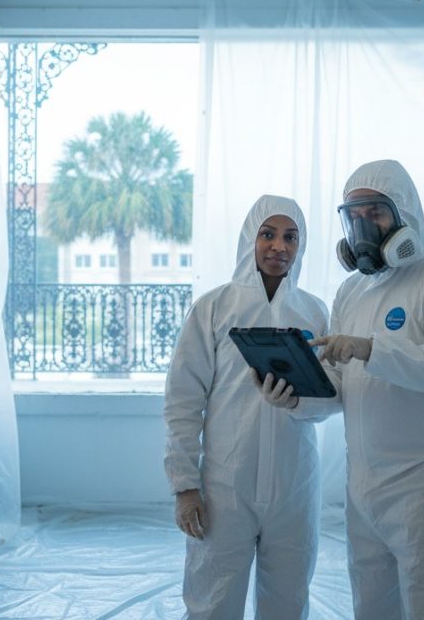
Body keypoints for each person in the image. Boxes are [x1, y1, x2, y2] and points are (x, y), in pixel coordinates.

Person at [259, 159, 424, 620]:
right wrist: (296, 397)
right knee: (371, 602)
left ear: (406, 214)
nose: (363, 226)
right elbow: (342, 386)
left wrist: (372, 349)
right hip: (364, 482)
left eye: (376, 213)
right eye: (354, 216)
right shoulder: (352, 292)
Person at [163, 195, 329, 619]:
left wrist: (299, 402)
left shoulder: (314, 312)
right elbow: (184, 400)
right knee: (212, 600)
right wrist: (185, 486)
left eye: (291, 237)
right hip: (225, 486)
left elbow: (332, 397)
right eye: (267, 234)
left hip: (294, 485)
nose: (279, 246)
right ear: (248, 239)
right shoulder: (214, 307)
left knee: (288, 600)